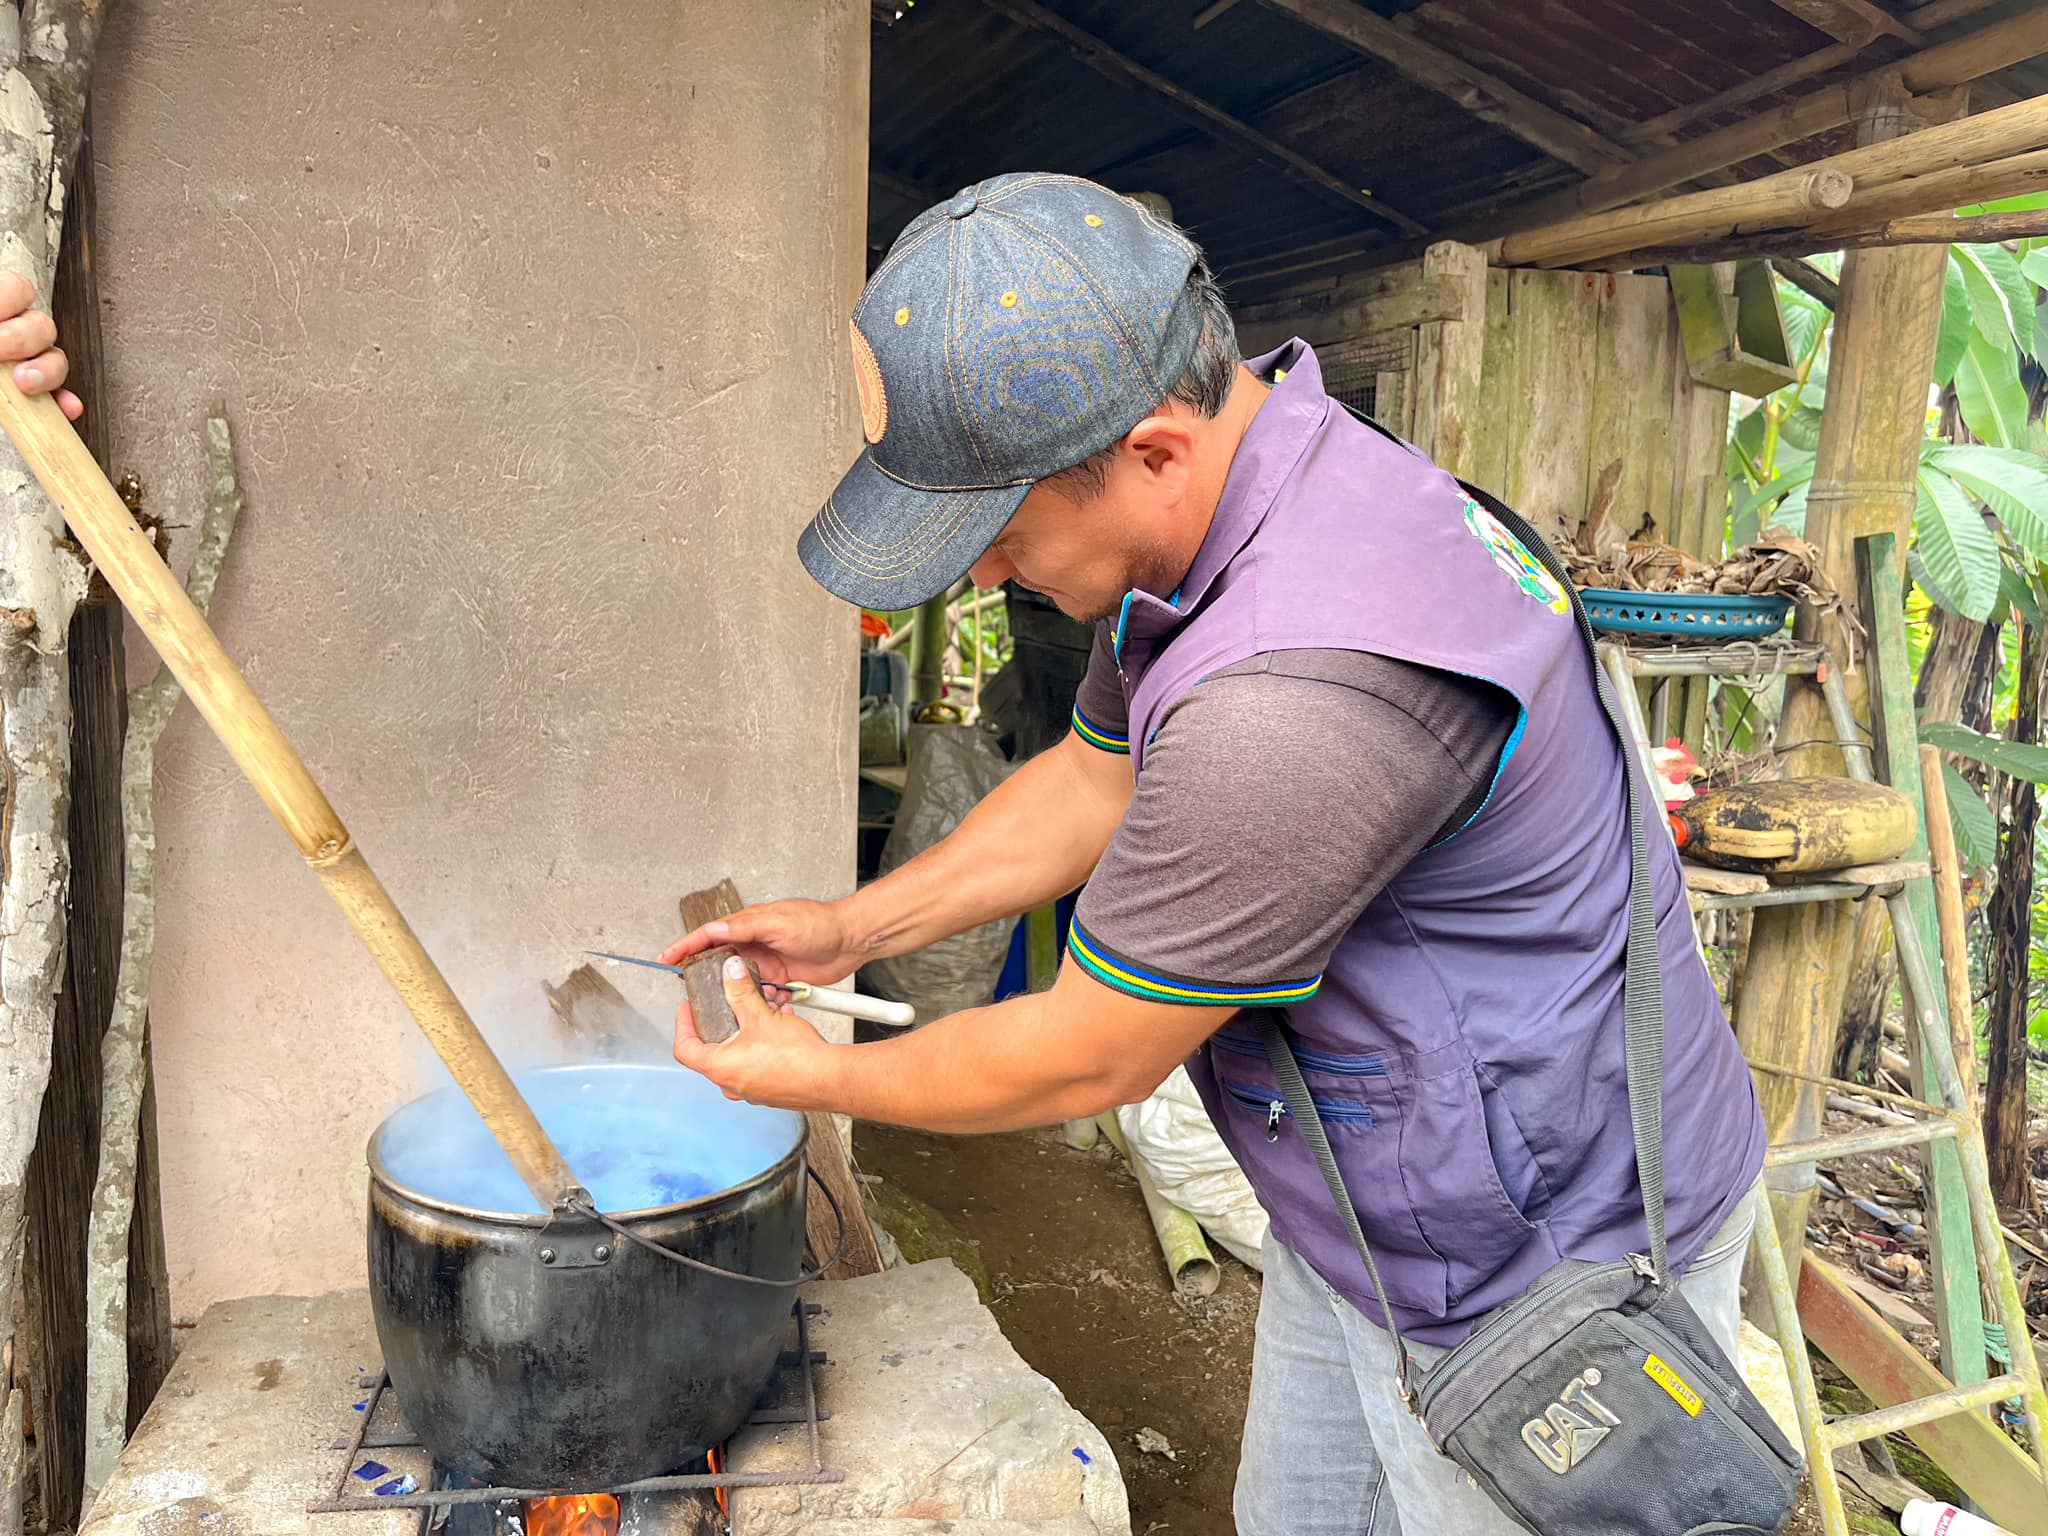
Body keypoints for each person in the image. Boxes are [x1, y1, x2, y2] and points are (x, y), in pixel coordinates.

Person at [0, 177, 1765, 1535]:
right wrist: (855, 925)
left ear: (1152, 446)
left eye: (992, 530)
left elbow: (1090, 1051)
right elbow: (1092, 782)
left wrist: (807, 1079)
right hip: (1371, 1209)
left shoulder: (1299, 701)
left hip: (1535, 1258)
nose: (980, 575)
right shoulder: (1248, 495)